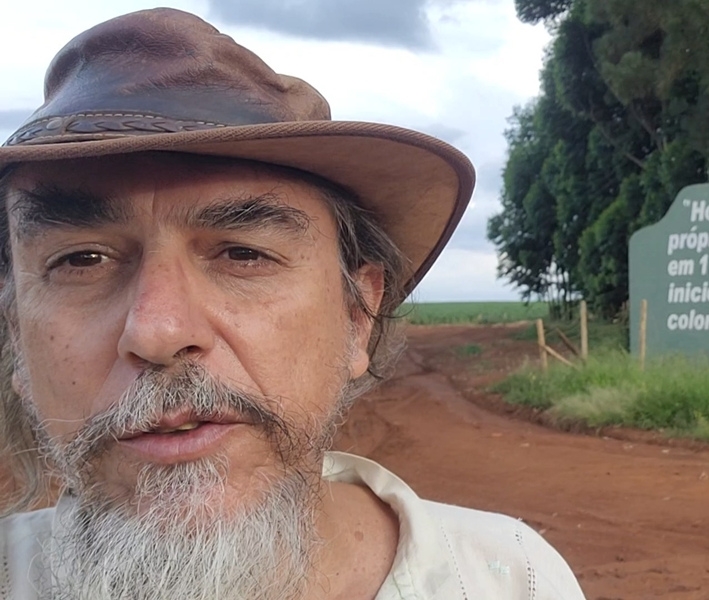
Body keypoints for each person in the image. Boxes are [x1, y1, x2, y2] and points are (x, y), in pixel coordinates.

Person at [0, 8, 586, 599]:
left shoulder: (512, 580)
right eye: (80, 260)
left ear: (357, 316)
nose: (157, 331)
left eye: (243, 254)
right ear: (16, 337)